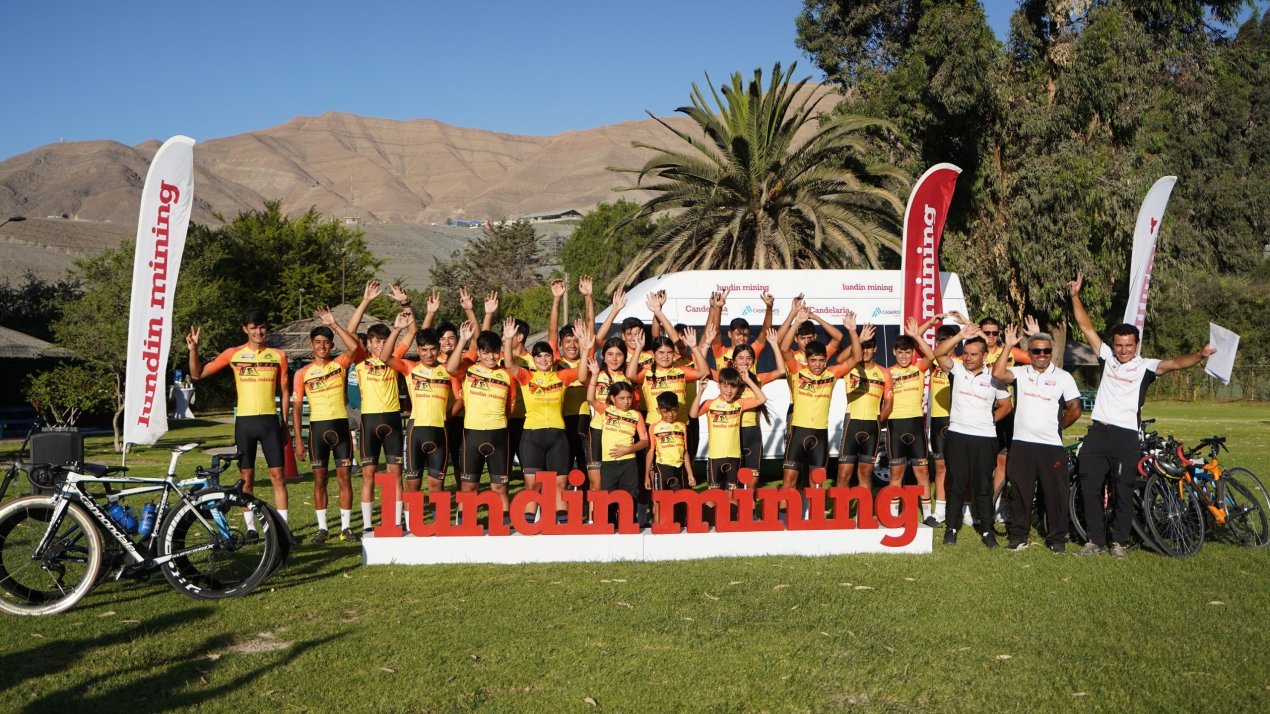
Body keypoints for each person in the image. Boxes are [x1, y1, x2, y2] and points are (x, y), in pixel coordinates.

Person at [1068, 271, 1215, 558]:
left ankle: (1119, 542)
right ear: (1114, 344)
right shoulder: (1107, 357)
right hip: (1098, 433)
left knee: (1123, 492)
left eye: (1128, 346)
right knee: (1089, 489)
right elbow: (1086, 327)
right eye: (1119, 345)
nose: (1123, 350)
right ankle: (1094, 541)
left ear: (1137, 345)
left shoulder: (1146, 366)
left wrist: (1199, 355)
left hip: (1125, 437)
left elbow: (1175, 363)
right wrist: (1075, 297)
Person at [187, 308, 291, 538]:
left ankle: (283, 530)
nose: (258, 332)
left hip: (270, 422)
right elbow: (197, 374)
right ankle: (251, 528)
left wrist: (284, 423)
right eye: (253, 328)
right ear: (245, 329)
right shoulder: (233, 354)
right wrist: (194, 350)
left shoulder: (278, 355)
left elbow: (285, 392)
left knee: (278, 476)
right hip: (245, 423)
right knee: (246, 478)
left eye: (262, 327)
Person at [989, 322, 1082, 552]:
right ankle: (1018, 537)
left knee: (1055, 494)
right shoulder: (1021, 373)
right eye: (1037, 351)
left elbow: (1075, 409)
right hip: (1022, 444)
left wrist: (1058, 427)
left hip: (1051, 446)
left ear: (1051, 352)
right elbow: (998, 373)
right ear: (1029, 353)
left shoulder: (1063, 377)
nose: (1042, 355)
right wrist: (1008, 346)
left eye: (1046, 351)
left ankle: (1057, 540)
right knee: (1020, 493)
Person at [925, 323, 1012, 547]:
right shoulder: (957, 370)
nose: (968, 358)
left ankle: (987, 531)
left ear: (984, 356)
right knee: (956, 485)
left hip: (985, 438)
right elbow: (938, 354)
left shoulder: (994, 377)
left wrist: (990, 420)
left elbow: (1006, 405)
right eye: (965, 353)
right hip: (957, 436)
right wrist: (961, 335)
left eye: (974, 354)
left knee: (983, 486)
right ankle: (951, 529)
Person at [505, 317, 592, 523]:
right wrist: (508, 340)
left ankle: (562, 527)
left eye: (547, 356)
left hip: (557, 437)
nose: (543, 359)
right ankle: (529, 528)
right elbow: (508, 363)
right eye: (539, 356)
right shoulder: (527, 376)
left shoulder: (561, 376)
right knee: (532, 486)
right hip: (532, 437)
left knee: (560, 485)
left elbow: (582, 375)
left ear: (553, 358)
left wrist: (585, 348)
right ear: (534, 359)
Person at [292, 307, 365, 543]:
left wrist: (334, 324)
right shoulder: (302, 373)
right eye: (318, 342)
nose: (322, 346)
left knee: (344, 479)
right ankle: (322, 528)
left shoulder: (340, 364)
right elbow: (296, 409)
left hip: (340, 428)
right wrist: (298, 441)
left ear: (332, 345)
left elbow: (354, 348)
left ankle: (346, 527)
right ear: (312, 345)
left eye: (326, 342)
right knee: (320, 480)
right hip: (317, 431)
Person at [777, 309, 866, 498]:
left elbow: (857, 358)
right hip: (798, 431)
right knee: (789, 481)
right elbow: (784, 348)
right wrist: (796, 321)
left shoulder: (832, 373)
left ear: (826, 360)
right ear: (807, 361)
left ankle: (810, 514)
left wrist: (852, 331)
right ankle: (785, 515)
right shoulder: (797, 371)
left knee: (816, 482)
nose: (817, 364)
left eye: (820, 360)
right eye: (813, 361)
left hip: (819, 434)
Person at [381, 312, 463, 516]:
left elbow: (461, 399)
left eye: (433, 349)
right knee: (413, 484)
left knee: (437, 485)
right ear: (417, 350)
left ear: (439, 348)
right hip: (415, 432)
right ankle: (411, 526)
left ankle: (438, 525)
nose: (429, 354)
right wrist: (397, 329)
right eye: (424, 350)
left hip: (440, 432)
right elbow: (384, 357)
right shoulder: (410, 368)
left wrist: (448, 416)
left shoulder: (448, 371)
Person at [349, 281, 412, 534]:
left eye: (383, 341)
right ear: (368, 343)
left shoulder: (394, 359)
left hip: (392, 419)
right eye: (375, 341)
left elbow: (412, 332)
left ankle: (397, 522)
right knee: (369, 474)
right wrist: (366, 300)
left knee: (396, 473)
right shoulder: (360, 359)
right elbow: (351, 330)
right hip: (370, 420)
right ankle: (367, 525)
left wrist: (405, 304)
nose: (379, 345)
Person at [446, 320, 518, 517]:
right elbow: (450, 369)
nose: (491, 357)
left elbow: (510, 407)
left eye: (494, 352)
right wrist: (462, 341)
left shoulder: (507, 375)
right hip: (472, 435)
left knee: (500, 488)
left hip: (499, 435)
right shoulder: (468, 370)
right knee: (468, 487)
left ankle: (501, 528)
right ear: (478, 352)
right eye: (486, 352)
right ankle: (464, 527)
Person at [981, 316, 1033, 524]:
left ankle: (999, 507)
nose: (991, 336)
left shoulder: (1009, 352)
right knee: (982, 464)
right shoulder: (973, 352)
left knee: (1002, 461)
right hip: (981, 412)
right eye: (987, 332)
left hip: (1005, 412)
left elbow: (1038, 359)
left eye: (995, 332)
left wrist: (1035, 336)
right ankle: (975, 506)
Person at [548, 276, 596, 478]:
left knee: (585, 465)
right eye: (568, 341)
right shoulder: (555, 360)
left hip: (583, 419)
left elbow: (590, 325)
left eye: (576, 341)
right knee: (563, 467)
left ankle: (586, 496)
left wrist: (588, 296)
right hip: (560, 419)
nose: (573, 345)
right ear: (560, 344)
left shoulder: (587, 357)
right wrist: (557, 299)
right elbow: (552, 330)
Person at [690, 368, 768, 490]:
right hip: (715, 457)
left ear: (738, 388)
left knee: (732, 497)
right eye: (725, 386)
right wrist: (700, 392)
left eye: (733, 387)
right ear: (719, 386)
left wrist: (748, 380)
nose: (729, 391)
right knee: (714, 497)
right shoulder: (710, 404)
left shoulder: (739, 403)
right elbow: (693, 414)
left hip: (734, 457)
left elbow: (762, 399)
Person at [717, 337, 786, 476]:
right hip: (731, 431)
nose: (745, 362)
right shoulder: (726, 379)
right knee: (733, 478)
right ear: (734, 360)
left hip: (752, 432)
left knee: (752, 478)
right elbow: (705, 371)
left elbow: (781, 371)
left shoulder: (757, 379)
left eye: (749, 358)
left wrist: (774, 345)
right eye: (741, 358)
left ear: (753, 361)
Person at [890, 320, 936, 524]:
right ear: (894, 352)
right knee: (896, 473)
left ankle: (927, 515)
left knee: (922, 471)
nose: (904, 356)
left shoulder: (918, 368)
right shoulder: (887, 373)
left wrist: (917, 336)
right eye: (900, 352)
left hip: (916, 424)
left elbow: (931, 356)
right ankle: (892, 515)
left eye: (907, 352)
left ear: (912, 354)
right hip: (895, 426)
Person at [836, 326, 893, 491]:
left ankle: (865, 508)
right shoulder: (851, 368)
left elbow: (888, 405)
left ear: (875, 348)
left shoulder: (884, 373)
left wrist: (876, 422)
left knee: (865, 474)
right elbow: (839, 359)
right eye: (862, 347)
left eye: (869, 347)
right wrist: (859, 340)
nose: (865, 351)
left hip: (872, 426)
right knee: (843, 474)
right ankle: (842, 508)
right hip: (851, 424)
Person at [586, 379, 648, 527]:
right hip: (608, 463)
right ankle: (608, 528)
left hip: (629, 463)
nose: (626, 401)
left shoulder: (636, 415)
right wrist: (594, 376)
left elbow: (645, 441)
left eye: (629, 397)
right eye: (622, 398)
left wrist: (628, 449)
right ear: (613, 398)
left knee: (630, 497)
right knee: (608, 499)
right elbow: (590, 398)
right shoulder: (606, 410)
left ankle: (628, 528)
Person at [927, 323, 962, 525]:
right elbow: (921, 344)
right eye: (940, 341)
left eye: (947, 341)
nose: (943, 345)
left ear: (955, 343)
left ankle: (965, 509)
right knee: (940, 467)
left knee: (962, 468)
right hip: (938, 419)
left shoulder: (962, 362)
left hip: (959, 419)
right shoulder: (934, 361)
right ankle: (940, 510)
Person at [646, 391, 697, 525]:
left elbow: (685, 452)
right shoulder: (653, 427)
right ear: (658, 410)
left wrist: (690, 474)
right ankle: (658, 530)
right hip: (662, 469)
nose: (670, 414)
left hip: (679, 469)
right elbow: (650, 452)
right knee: (659, 503)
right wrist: (646, 475)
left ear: (677, 409)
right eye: (666, 411)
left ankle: (679, 529)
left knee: (680, 503)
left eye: (674, 411)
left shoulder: (682, 426)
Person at [709, 289, 774, 368]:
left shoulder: (753, 351)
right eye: (738, 334)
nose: (742, 338)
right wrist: (719, 308)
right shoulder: (721, 352)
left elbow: (765, 332)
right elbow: (715, 332)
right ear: (730, 334)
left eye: (745, 335)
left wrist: (769, 308)